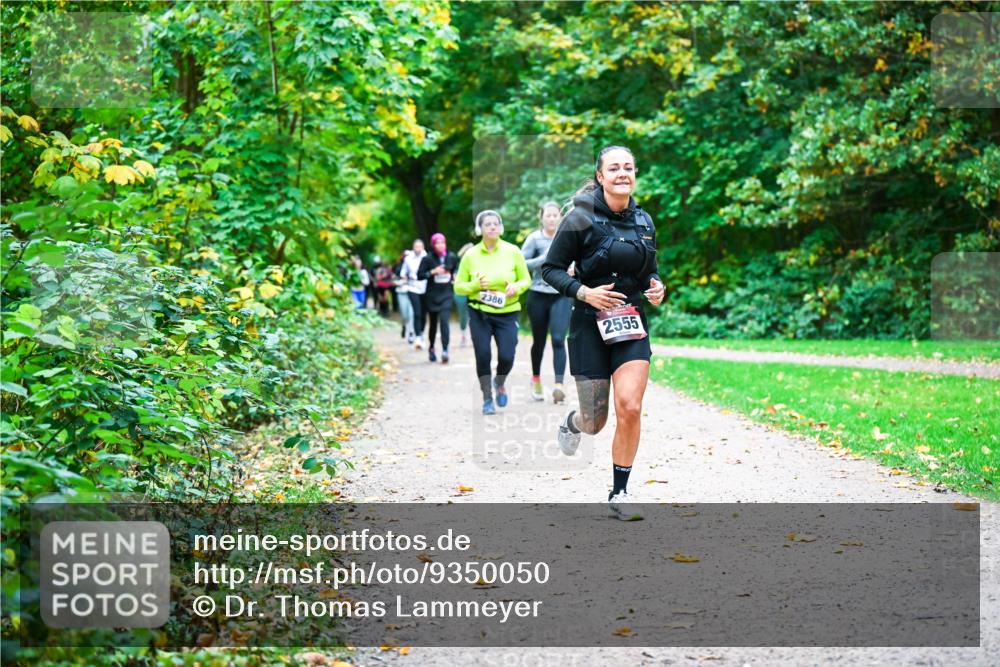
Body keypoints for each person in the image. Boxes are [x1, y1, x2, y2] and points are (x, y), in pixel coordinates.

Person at [541, 146, 665, 520]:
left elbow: (650, 271)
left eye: (628, 167)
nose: (622, 173)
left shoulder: (644, 221)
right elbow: (551, 269)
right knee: (596, 421)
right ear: (600, 176)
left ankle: (620, 492)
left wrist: (657, 286)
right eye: (614, 168)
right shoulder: (579, 218)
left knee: (630, 406)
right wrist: (584, 292)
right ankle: (573, 422)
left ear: (635, 174)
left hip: (629, 322)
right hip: (588, 324)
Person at [454, 210, 531, 415]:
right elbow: (458, 286)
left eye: (496, 223)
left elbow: (526, 279)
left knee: (507, 355)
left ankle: (500, 381)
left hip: (507, 312)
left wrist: (516, 287)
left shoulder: (513, 251)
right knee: (483, 354)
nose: (492, 227)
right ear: (480, 229)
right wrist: (474, 285)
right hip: (479, 312)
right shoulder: (471, 255)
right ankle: (487, 397)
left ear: (501, 227)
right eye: (487, 224)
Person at [521, 201, 572, 404]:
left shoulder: (568, 237)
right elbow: (521, 263)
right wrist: (543, 259)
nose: (552, 218)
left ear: (560, 218)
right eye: (548, 215)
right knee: (539, 341)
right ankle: (536, 380)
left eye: (555, 215)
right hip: (538, 294)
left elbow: (578, 260)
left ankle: (559, 385)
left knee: (559, 339)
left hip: (561, 293)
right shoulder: (534, 238)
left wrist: (574, 268)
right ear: (541, 218)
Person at [417, 233, 459, 363]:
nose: (440, 245)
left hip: (446, 294)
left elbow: (455, 271)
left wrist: (454, 276)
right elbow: (420, 275)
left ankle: (445, 350)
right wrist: (433, 272)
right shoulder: (428, 259)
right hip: (432, 296)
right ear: (433, 245)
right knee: (433, 324)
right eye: (437, 243)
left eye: (443, 242)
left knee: (445, 322)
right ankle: (431, 348)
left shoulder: (451, 257)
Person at [401, 239, 428, 349]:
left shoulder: (427, 258)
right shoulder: (408, 259)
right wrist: (405, 277)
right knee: (416, 313)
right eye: (416, 246)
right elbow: (403, 272)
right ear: (413, 247)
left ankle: (421, 333)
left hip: (425, 288)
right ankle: (417, 337)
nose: (418, 248)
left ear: (423, 247)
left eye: (420, 246)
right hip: (412, 288)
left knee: (423, 313)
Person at [454, 243, 474, 346]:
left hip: (474, 292)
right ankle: (463, 336)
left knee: (474, 315)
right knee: (463, 316)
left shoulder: (479, 262)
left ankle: (474, 336)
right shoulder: (458, 264)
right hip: (461, 293)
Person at [394, 250, 415, 343]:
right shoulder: (398, 268)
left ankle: (411, 333)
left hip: (412, 291)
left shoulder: (414, 267)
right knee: (404, 314)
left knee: (412, 313)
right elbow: (394, 280)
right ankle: (404, 325)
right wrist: (401, 281)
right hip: (401, 292)